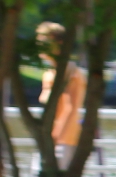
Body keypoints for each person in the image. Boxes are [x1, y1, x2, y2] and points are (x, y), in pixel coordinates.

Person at [35, 21, 86, 168]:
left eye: (44, 41)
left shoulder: (71, 72)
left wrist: (54, 139)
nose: (40, 45)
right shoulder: (50, 72)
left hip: (63, 140)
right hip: (48, 139)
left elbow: (71, 108)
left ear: (60, 42)